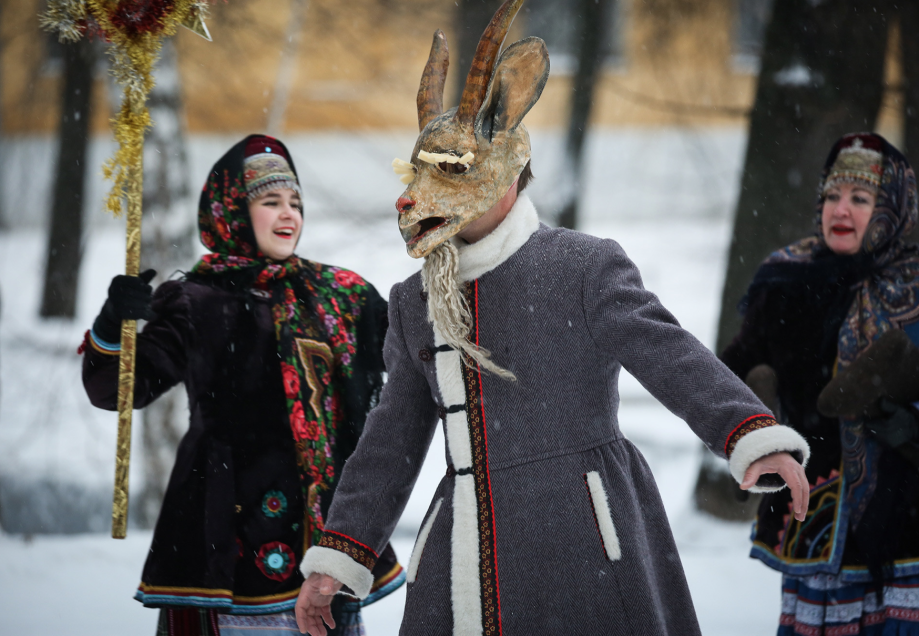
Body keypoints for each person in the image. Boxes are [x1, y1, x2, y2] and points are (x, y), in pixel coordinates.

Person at [293, 2, 811, 634]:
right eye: (419, 171)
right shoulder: (413, 301)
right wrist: (341, 553)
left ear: (508, 169)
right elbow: (393, 436)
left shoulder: (582, 267)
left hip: (584, 532)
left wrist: (746, 432)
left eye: (451, 170)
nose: (416, 196)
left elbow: (668, 354)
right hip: (465, 546)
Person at [81, 135, 405, 636]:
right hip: (228, 541)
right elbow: (118, 390)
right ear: (231, 209)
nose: (288, 214)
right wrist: (112, 326)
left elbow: (417, 348)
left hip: (326, 547)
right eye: (270, 201)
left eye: (295, 202)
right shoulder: (196, 300)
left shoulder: (339, 295)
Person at [721, 132, 919, 635]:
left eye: (860, 198)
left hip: (905, 519)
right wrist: (749, 421)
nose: (841, 210)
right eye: (832, 195)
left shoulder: (915, 284)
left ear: (891, 207)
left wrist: (905, 424)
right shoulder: (785, 277)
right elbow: (730, 372)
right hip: (812, 513)